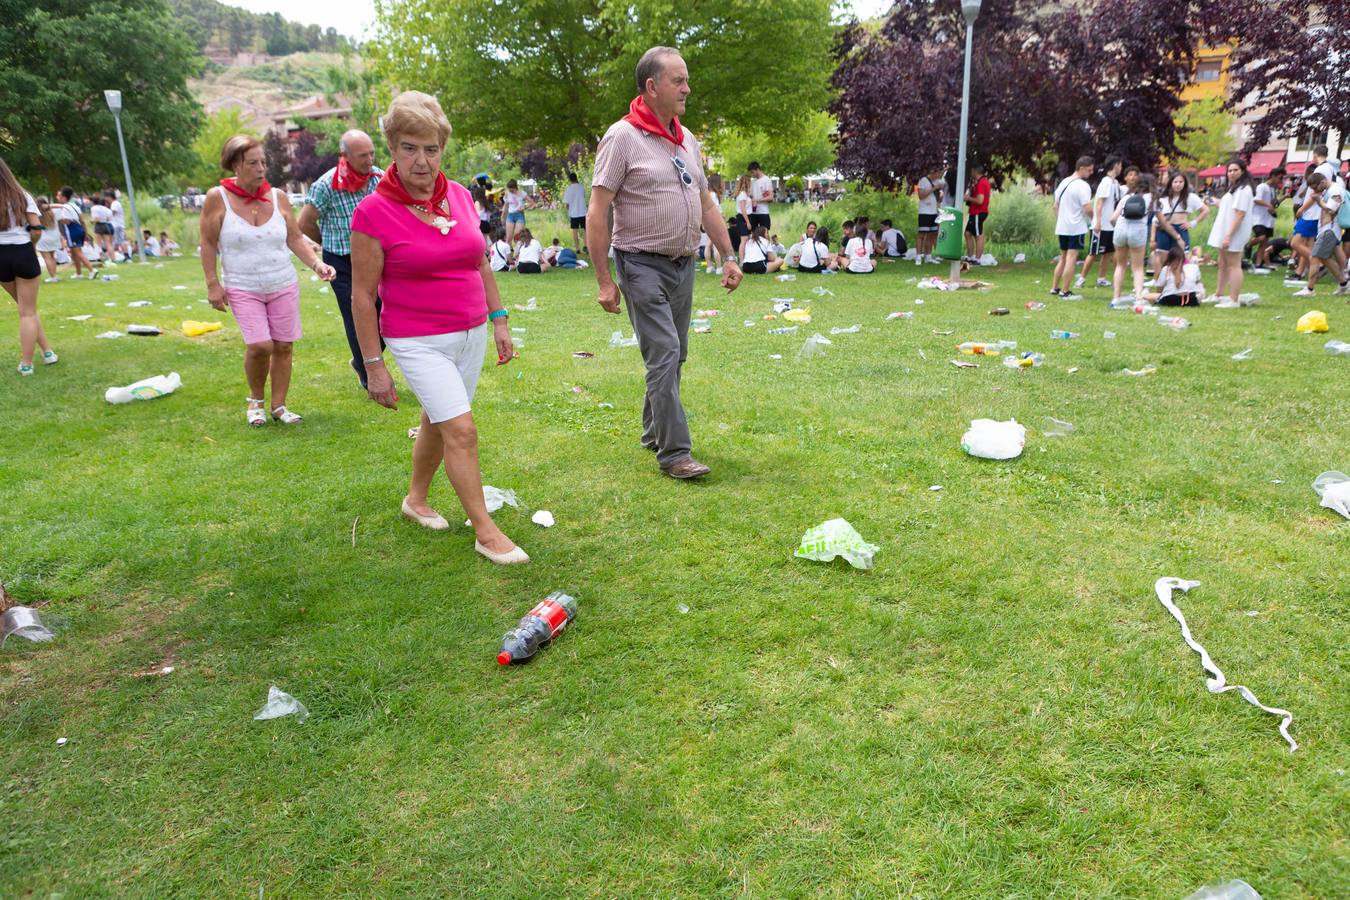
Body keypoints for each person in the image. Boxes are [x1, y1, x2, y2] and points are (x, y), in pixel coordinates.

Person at [350, 91, 526, 564]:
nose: (422, 161)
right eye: (410, 147)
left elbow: (481, 263)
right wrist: (374, 366)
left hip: (470, 332)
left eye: (431, 148)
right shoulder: (372, 212)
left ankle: (415, 499)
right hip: (416, 339)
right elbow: (363, 296)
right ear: (392, 146)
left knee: (437, 418)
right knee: (462, 430)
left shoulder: (462, 198)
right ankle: (485, 531)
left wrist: (500, 320)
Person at [586, 46, 743, 480]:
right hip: (639, 264)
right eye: (679, 80)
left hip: (683, 263)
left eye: (687, 79)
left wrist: (728, 256)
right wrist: (604, 280)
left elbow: (706, 203)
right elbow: (598, 211)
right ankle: (675, 454)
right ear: (652, 87)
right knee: (665, 352)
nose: (688, 88)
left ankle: (653, 430)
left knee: (674, 356)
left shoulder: (686, 138)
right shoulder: (621, 137)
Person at [200, 134, 336, 426]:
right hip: (242, 284)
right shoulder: (217, 198)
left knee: (284, 345)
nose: (261, 168)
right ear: (235, 165)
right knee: (261, 345)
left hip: (282, 282)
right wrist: (213, 283)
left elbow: (295, 238)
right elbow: (208, 242)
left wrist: (316, 264)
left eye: (263, 162)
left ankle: (279, 406)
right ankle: (255, 400)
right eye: (252, 163)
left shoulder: (278, 197)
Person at [297, 129, 385, 390]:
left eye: (371, 153)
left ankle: (361, 361)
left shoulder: (378, 178)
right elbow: (305, 222)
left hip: (374, 257)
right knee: (355, 316)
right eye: (362, 156)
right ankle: (369, 375)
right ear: (344, 156)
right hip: (341, 261)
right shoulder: (326, 185)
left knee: (383, 314)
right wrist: (328, 244)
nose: (369, 160)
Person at [0, 157, 56, 375]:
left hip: (1, 257)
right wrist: (30, 245)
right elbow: (37, 229)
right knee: (28, 312)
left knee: (25, 309)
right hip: (23, 252)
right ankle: (27, 363)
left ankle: (48, 351)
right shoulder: (23, 196)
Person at [1207, 159, 1255, 308]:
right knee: (1223, 263)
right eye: (1229, 171)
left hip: (1234, 232)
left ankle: (1234, 299)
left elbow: (1240, 214)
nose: (1232, 173)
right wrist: (1216, 202)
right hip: (1225, 229)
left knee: (1234, 264)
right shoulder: (1234, 188)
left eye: (1235, 170)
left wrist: (1228, 235)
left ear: (1242, 171)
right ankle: (1219, 294)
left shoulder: (1244, 190)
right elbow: (1229, 207)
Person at [1293, 173, 1346, 297]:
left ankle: (1310, 289)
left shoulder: (1335, 190)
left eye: (1315, 187)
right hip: (1327, 229)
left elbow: (1331, 209)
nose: (1315, 191)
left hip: (1330, 229)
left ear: (1322, 182)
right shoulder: (1330, 190)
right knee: (1324, 258)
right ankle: (1344, 284)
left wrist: (1319, 201)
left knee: (1315, 256)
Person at [1051, 156, 1094, 299]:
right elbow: (1087, 208)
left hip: (1062, 226)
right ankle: (1065, 290)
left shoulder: (1063, 183)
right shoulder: (1083, 186)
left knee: (1063, 257)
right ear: (1081, 168)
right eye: (1089, 170)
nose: (1090, 173)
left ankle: (1055, 287)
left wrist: (1060, 220)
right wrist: (1095, 218)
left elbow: (1055, 206)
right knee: (1071, 258)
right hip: (1076, 227)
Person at [1077, 156, 1121, 290]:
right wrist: (1098, 222)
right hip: (1101, 226)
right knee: (1093, 253)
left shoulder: (1115, 183)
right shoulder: (1106, 182)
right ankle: (1081, 279)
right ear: (1115, 166)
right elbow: (1100, 202)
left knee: (1108, 253)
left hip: (1110, 226)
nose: (1121, 168)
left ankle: (1101, 278)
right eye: (1120, 165)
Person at [1152, 170, 1208, 275]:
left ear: (1185, 183)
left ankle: (1180, 283)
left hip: (1181, 229)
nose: (1178, 184)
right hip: (1164, 230)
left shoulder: (1190, 197)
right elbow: (1156, 219)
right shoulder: (1163, 198)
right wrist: (1153, 237)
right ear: (1170, 183)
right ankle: (1161, 283)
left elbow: (1205, 210)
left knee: (1182, 258)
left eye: (1181, 182)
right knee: (1163, 259)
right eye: (1175, 182)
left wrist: (1193, 223)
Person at [1109, 174, 1151, 302]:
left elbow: (1112, 219)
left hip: (1120, 230)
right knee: (1137, 267)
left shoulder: (1126, 197)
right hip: (1138, 232)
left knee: (1120, 265)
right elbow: (1160, 218)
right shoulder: (1151, 198)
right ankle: (1138, 296)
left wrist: (1117, 228)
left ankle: (1116, 297)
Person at [1248, 166, 1284, 272]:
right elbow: (1257, 200)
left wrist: (1284, 197)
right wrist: (1269, 206)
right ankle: (1249, 245)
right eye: (1280, 178)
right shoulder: (1262, 186)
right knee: (1261, 237)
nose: (1280, 181)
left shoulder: (1272, 189)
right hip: (1258, 218)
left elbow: (1274, 203)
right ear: (1273, 176)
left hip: (1268, 220)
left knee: (1264, 243)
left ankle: (1258, 264)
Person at [54, 187, 92, 279]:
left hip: (71, 230)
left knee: (77, 252)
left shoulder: (64, 207)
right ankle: (78, 273)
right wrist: (85, 233)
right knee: (74, 253)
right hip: (79, 229)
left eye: (59, 196)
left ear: (63, 197)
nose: (57, 197)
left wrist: (61, 220)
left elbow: (66, 221)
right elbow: (82, 221)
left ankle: (92, 270)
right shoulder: (75, 206)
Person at [915, 165, 944, 263]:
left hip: (934, 212)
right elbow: (921, 196)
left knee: (932, 235)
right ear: (933, 172)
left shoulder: (938, 182)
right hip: (924, 212)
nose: (939, 175)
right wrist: (933, 188)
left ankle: (928, 256)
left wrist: (940, 195)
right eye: (938, 173)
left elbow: (938, 198)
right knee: (922, 234)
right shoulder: (923, 180)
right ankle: (918, 256)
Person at [964, 164, 991, 262]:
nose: (971, 172)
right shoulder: (981, 182)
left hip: (978, 212)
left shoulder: (982, 183)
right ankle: (970, 256)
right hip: (975, 212)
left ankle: (977, 259)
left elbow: (980, 200)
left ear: (976, 171)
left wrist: (968, 198)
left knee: (978, 235)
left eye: (972, 170)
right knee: (967, 233)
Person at [34, 197, 62, 281]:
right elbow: (62, 206)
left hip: (42, 238)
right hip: (54, 237)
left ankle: (52, 277)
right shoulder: (54, 212)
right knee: (52, 257)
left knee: (47, 258)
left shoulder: (36, 214)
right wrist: (49, 206)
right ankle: (54, 276)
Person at [562, 171, 587, 253]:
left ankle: (577, 248)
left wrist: (568, 209)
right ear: (576, 178)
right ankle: (586, 246)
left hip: (574, 213)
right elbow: (583, 197)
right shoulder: (581, 187)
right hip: (583, 212)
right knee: (585, 230)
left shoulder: (569, 189)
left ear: (570, 180)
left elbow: (567, 203)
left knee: (575, 231)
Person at [748, 161, 773, 232]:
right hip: (753, 212)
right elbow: (752, 195)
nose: (752, 174)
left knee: (765, 234)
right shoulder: (753, 181)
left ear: (758, 169)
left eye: (752, 172)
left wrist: (757, 200)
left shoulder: (766, 180)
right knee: (753, 234)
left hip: (763, 212)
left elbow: (771, 197)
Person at [502, 178, 527, 247]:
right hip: (510, 215)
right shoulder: (507, 193)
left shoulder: (522, 193)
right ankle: (507, 256)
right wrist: (503, 216)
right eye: (509, 189)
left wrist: (525, 207)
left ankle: (518, 255)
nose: (510, 191)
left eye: (511, 190)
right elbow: (506, 205)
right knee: (508, 237)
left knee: (517, 237)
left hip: (519, 215)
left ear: (515, 187)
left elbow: (532, 203)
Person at [732, 174, 752, 258]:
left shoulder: (744, 194)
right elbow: (743, 209)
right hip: (743, 218)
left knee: (746, 239)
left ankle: (745, 258)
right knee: (744, 240)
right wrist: (747, 222)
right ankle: (742, 260)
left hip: (745, 217)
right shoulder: (743, 194)